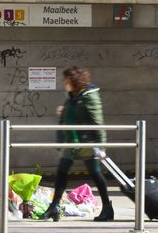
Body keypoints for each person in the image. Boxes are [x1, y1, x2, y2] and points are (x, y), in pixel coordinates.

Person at [41, 66, 114, 222]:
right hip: (72, 142)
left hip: (88, 142)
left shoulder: (89, 96)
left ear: (73, 80)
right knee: (61, 173)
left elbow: (98, 122)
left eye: (66, 79)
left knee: (95, 173)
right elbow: (69, 117)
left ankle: (107, 208)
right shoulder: (72, 96)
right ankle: (54, 206)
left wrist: (101, 148)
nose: (64, 82)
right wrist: (63, 113)